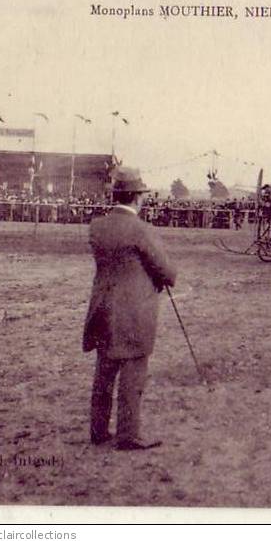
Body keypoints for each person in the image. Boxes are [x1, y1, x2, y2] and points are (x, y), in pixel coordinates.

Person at [82, 167, 177, 451]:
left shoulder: (97, 226)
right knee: (133, 373)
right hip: (134, 312)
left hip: (102, 308)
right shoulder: (141, 229)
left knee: (104, 372)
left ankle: (98, 430)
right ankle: (128, 435)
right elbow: (167, 272)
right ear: (136, 197)